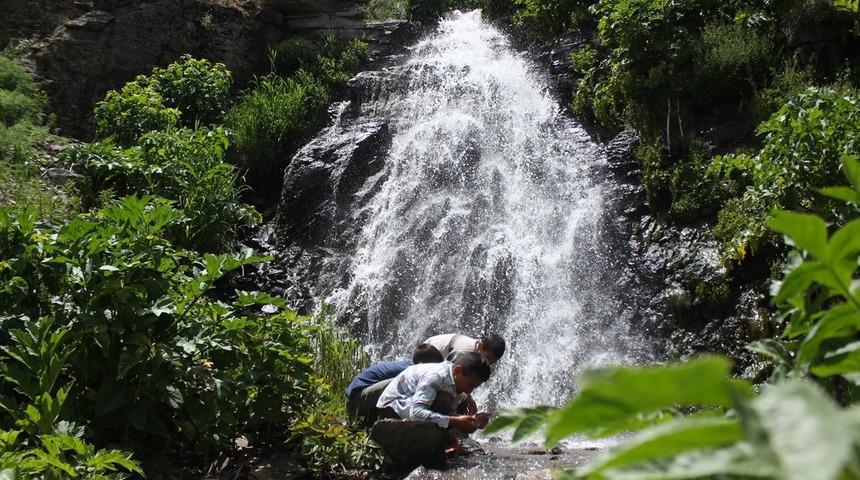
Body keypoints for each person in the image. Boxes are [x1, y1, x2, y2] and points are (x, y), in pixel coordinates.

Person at [375, 351, 492, 434]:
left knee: (448, 402)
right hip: (391, 410)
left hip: (407, 408)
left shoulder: (454, 380)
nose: (468, 391)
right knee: (443, 399)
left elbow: (448, 415)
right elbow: (416, 413)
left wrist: (473, 421)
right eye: (470, 385)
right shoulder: (436, 376)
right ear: (457, 370)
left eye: (474, 388)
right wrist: (455, 421)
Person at [346, 343, 443, 424]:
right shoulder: (409, 371)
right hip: (356, 401)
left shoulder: (410, 366)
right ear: (422, 364)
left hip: (363, 399)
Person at [424, 333, 506, 365]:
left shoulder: (477, 354)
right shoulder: (464, 351)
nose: (488, 363)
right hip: (426, 354)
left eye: (492, 362)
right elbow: (447, 370)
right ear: (480, 346)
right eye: (488, 358)